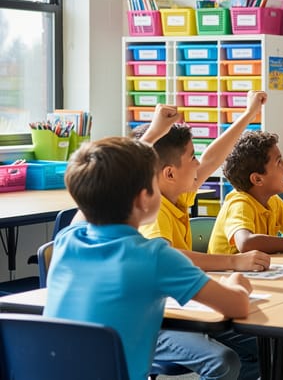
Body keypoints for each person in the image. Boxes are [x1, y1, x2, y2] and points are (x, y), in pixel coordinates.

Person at [45, 137, 252, 380]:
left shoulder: (67, 239)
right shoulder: (154, 256)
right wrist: (236, 282)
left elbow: (92, 194)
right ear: (144, 198)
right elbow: (237, 306)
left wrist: (151, 135)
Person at [136, 92, 270, 380]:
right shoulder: (152, 213)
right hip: (158, 322)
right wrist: (234, 263)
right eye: (191, 157)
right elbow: (171, 257)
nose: (199, 164)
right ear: (169, 173)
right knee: (225, 361)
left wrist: (248, 115)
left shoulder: (177, 196)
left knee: (267, 346)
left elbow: (213, 157)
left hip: (179, 308)